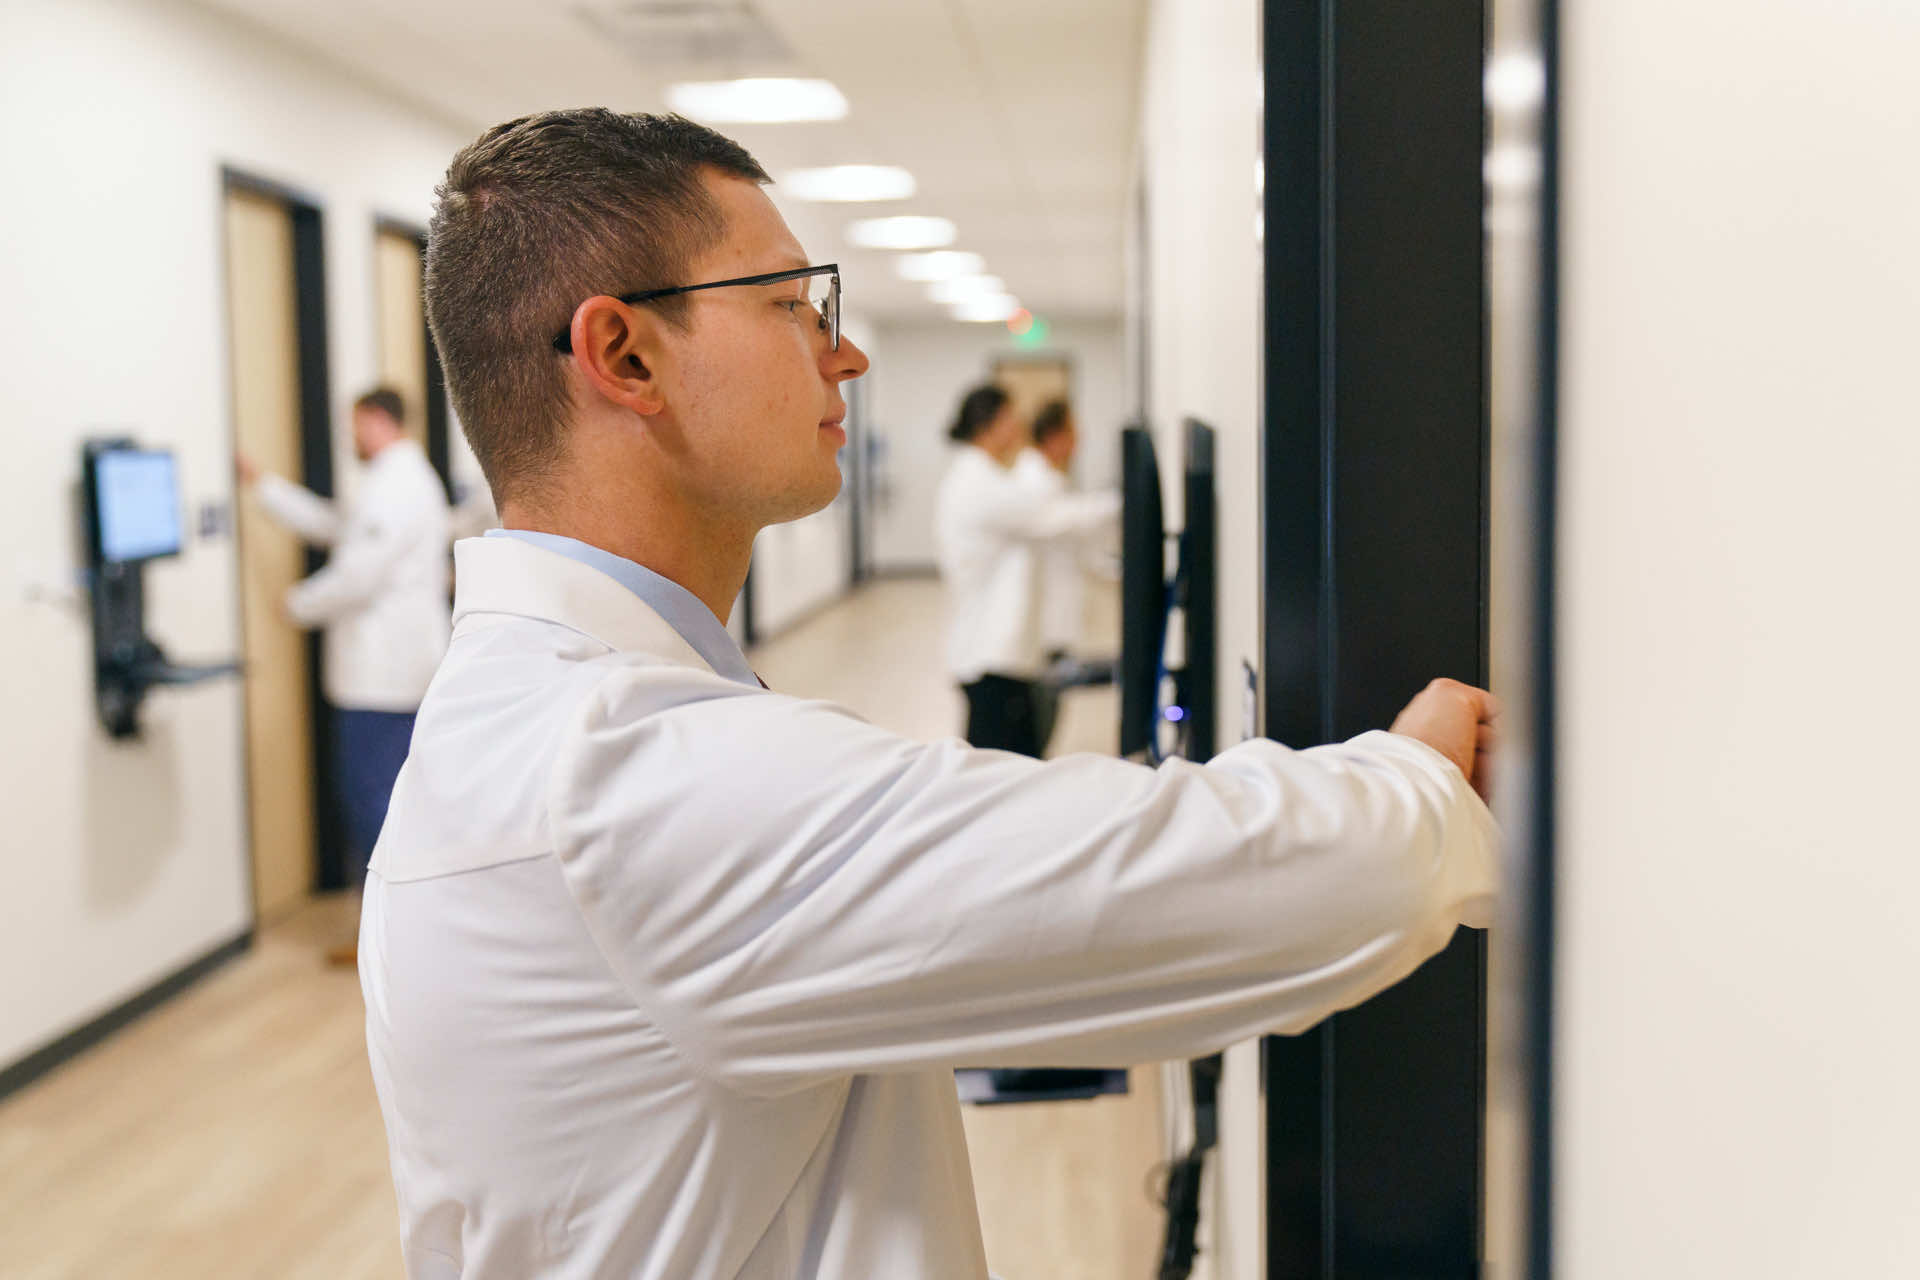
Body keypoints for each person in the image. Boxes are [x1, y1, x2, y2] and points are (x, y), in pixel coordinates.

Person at [361, 109, 1499, 1280]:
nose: (841, 354)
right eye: (793, 304)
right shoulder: (615, 782)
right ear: (626, 355)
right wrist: (1416, 773)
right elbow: (1179, 881)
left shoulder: (549, 724)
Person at [237, 387, 450, 963]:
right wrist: (263, 486)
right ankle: (399, 937)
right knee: (387, 801)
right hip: (392, 673)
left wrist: (296, 604)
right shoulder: (395, 482)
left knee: (373, 803)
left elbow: (359, 571)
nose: (351, 439)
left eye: (356, 427)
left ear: (379, 421)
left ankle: (391, 943)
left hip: (382, 679)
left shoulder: (398, 485)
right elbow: (339, 528)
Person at [936, 385, 1118, 757]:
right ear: (988, 424)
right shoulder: (977, 482)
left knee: (1013, 761)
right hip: (991, 655)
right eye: (1010, 418)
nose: (1019, 427)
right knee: (998, 768)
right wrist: (1124, 501)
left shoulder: (988, 476)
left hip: (1001, 652)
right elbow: (1047, 518)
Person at [1011, 397, 1101, 751]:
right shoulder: (1033, 479)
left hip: (1053, 620)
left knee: (1047, 715)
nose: (1080, 440)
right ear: (1054, 435)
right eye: (1074, 431)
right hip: (1042, 624)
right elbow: (1060, 520)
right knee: (1038, 722)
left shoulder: (1047, 477)